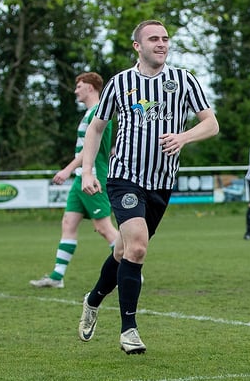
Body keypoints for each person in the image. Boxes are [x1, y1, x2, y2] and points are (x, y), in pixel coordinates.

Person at [77, 20, 219, 354]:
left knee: (125, 250)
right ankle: (129, 330)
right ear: (137, 46)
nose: (161, 44)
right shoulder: (120, 83)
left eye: (165, 39)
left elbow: (210, 123)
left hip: (161, 182)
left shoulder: (183, 80)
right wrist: (87, 171)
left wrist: (183, 137)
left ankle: (94, 299)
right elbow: (96, 129)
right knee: (138, 247)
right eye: (153, 39)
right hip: (124, 176)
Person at [30, 72, 119, 288]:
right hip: (82, 180)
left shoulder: (98, 112)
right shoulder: (90, 113)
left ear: (91, 87)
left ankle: (132, 268)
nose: (75, 90)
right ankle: (57, 277)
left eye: (79, 86)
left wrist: (67, 169)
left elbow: (90, 149)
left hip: (94, 179)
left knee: (104, 228)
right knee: (68, 223)